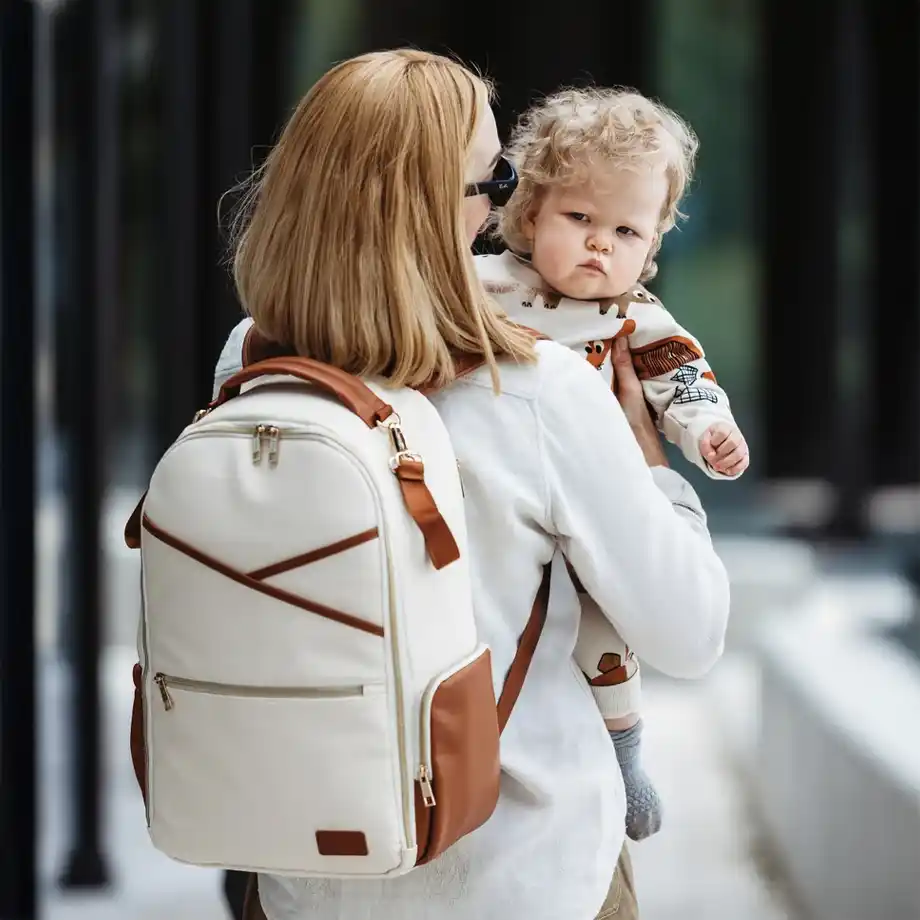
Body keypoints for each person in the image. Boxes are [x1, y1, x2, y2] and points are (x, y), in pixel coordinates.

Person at [214, 49, 730, 920]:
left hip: (306, 870)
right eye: (494, 178)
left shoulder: (254, 356)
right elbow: (691, 633)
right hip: (526, 875)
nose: (508, 202)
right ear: (432, 206)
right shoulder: (540, 388)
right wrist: (650, 455)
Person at [474, 86, 749, 843]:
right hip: (508, 506)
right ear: (529, 214)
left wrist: (707, 435)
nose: (601, 245)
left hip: (598, 511)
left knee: (605, 629)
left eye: (625, 230)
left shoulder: (636, 318)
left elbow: (680, 380)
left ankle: (625, 751)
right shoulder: (484, 288)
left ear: (652, 244)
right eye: (580, 219)